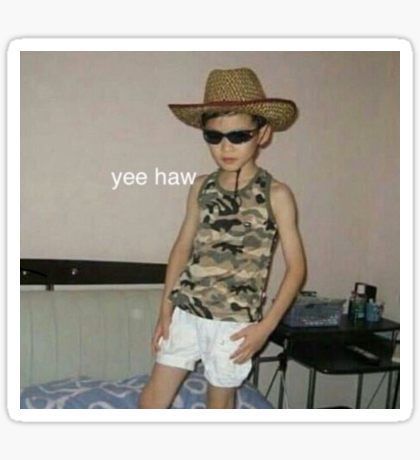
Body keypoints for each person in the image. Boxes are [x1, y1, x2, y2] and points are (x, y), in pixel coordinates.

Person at [138, 67, 306, 409]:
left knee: (219, 409)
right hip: (187, 311)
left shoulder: (277, 194)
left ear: (263, 134)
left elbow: (297, 268)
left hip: (235, 324)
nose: (225, 147)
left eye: (238, 136)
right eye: (213, 137)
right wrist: (165, 310)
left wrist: (266, 328)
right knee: (151, 401)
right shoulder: (201, 186)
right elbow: (182, 247)